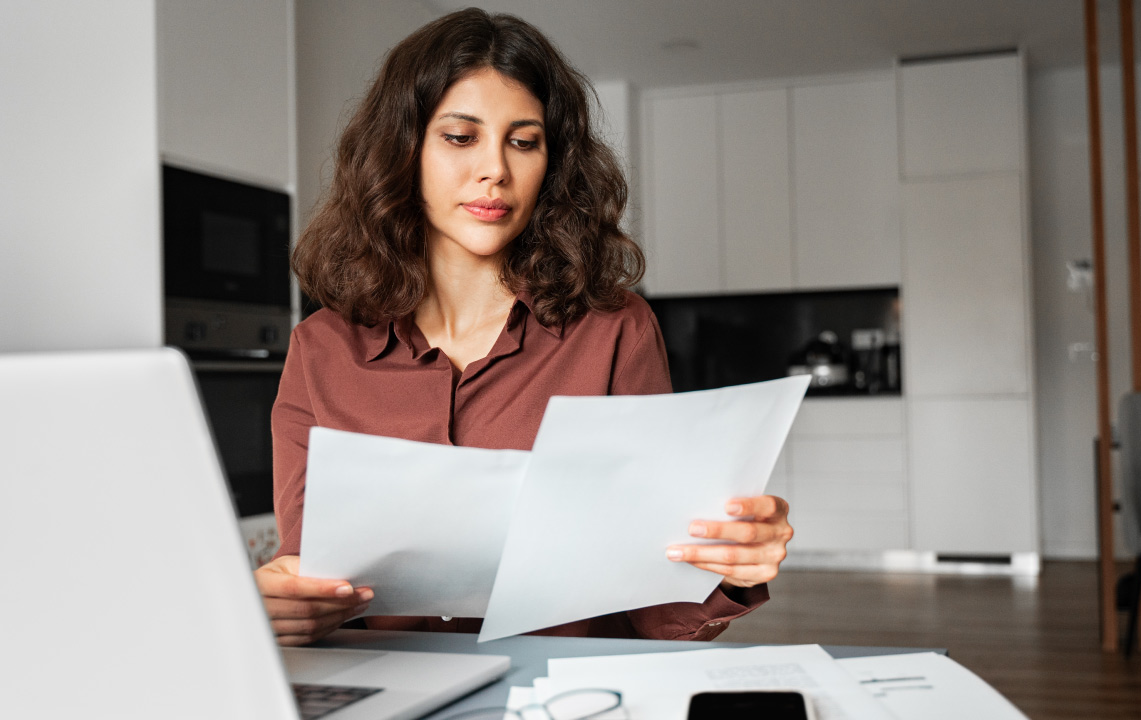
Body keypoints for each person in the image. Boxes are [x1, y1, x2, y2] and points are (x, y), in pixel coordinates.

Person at [253, 7, 796, 647]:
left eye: (523, 140)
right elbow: (309, 576)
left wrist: (727, 568)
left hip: (562, 693)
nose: (496, 171)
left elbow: (656, 607)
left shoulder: (615, 331)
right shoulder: (321, 350)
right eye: (460, 137)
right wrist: (284, 606)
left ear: (552, 162)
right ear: (404, 151)